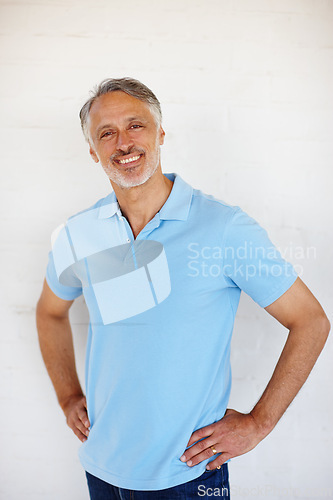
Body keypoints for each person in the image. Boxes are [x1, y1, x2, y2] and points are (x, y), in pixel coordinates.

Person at [36, 78, 330, 499]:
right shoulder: (77, 233)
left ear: (160, 133)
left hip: (187, 475)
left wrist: (259, 423)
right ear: (93, 151)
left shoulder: (223, 228)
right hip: (101, 468)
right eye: (107, 133)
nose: (123, 143)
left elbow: (311, 321)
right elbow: (49, 312)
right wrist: (68, 396)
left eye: (135, 125)